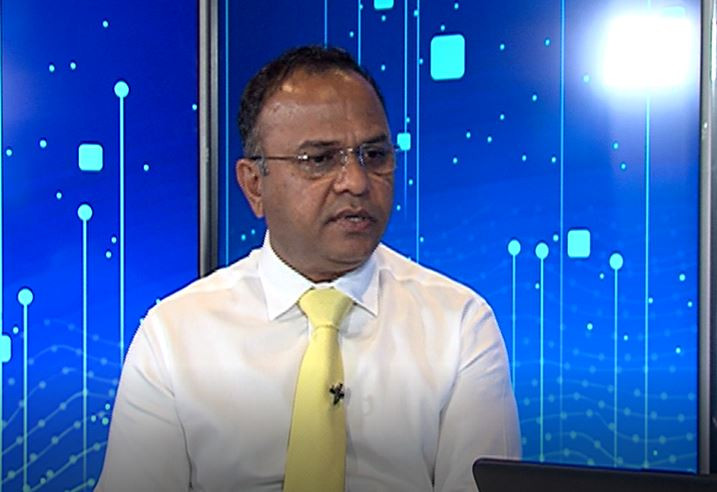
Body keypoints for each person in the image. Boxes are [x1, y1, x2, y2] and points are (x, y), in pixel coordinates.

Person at [96, 45, 520, 492]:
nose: (356, 182)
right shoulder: (174, 337)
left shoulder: (459, 326)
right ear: (254, 185)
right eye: (320, 160)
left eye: (374, 155)